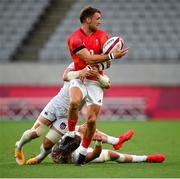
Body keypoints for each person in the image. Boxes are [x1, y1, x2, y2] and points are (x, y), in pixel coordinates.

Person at [15, 62, 131, 165]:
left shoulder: (99, 76)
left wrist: (96, 75)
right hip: (55, 106)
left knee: (47, 144)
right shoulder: (75, 65)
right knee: (35, 133)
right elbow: (65, 76)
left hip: (67, 117)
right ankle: (19, 146)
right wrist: (81, 72)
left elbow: (107, 84)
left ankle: (39, 158)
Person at [64, 5, 129, 165]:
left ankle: (83, 153)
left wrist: (100, 68)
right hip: (80, 77)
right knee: (73, 102)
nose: (100, 22)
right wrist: (112, 55)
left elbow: (107, 63)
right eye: (97, 18)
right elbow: (88, 59)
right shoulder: (75, 38)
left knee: (91, 120)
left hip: (95, 81)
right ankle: (70, 134)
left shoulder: (103, 36)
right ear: (88, 19)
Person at [51, 134, 165, 165]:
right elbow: (95, 154)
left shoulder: (60, 142)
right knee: (113, 155)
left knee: (86, 127)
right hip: (87, 154)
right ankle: (146, 158)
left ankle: (116, 141)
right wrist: (98, 142)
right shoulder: (76, 157)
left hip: (81, 148)